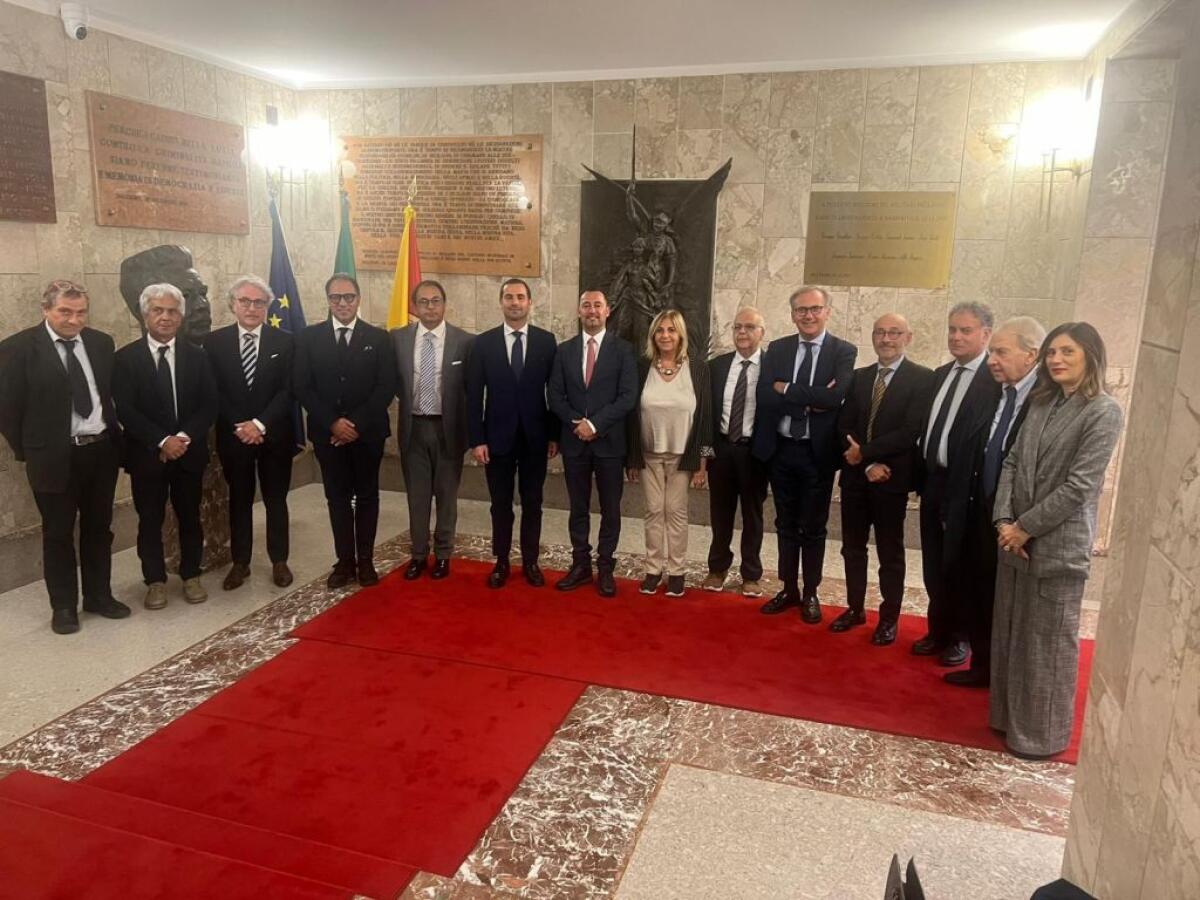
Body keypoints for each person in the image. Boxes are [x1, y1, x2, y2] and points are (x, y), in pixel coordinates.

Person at [991, 322, 1123, 758]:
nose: (1056, 360)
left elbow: (1080, 485)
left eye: (1067, 351)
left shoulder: (1103, 411)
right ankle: (1007, 719)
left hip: (1055, 543)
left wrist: (1026, 526)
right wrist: (1004, 520)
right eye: (1051, 352)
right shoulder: (1042, 401)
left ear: (1090, 356)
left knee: (1047, 644)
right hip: (1014, 539)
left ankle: (1041, 736)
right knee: (1012, 635)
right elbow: (1011, 461)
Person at [0, 280, 127, 634]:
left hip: (100, 451)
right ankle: (64, 606)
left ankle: (99, 596)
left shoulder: (101, 343)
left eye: (81, 312)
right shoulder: (18, 349)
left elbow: (106, 394)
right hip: (53, 457)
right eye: (65, 312)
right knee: (57, 533)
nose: (74, 320)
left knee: (99, 529)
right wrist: (32, 449)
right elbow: (7, 409)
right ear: (46, 310)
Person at [945, 315, 1044, 687]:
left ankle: (1006, 676)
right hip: (980, 509)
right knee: (979, 588)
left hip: (1018, 521)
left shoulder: (1044, 399)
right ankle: (983, 667)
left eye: (1001, 352)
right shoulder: (995, 390)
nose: (991, 360)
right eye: (991, 352)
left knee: (1011, 601)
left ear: (1031, 355)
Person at [753, 286, 857, 623]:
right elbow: (765, 396)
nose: (808, 315)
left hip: (817, 454)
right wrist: (812, 398)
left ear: (827, 312)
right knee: (785, 523)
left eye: (815, 309)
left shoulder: (843, 351)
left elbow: (835, 398)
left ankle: (810, 591)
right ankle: (788, 588)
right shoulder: (778, 348)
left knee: (813, 526)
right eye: (801, 310)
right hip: (782, 450)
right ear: (792, 314)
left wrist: (786, 389)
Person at [113, 283, 218, 610]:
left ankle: (191, 575)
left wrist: (182, 439)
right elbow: (125, 409)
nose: (165, 317)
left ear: (180, 317)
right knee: (150, 519)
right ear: (145, 315)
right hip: (148, 455)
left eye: (172, 311)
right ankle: (155, 580)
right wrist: (161, 440)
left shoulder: (197, 356)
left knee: (190, 516)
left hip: (188, 452)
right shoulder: (125, 359)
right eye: (158, 310)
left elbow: (209, 404)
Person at [832, 314, 933, 645]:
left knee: (890, 554)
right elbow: (844, 425)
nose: (886, 339)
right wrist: (866, 463)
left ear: (908, 337)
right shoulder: (859, 377)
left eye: (894, 333)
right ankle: (855, 609)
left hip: (891, 481)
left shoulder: (922, 378)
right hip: (857, 479)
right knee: (852, 549)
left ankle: (889, 619)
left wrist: (867, 454)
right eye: (880, 333)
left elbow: (910, 430)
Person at [294, 273, 396, 589]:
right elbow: (302, 386)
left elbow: (386, 386)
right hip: (327, 434)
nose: (342, 303)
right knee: (336, 498)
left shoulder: (379, 338)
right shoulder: (309, 338)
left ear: (358, 299)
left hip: (368, 433)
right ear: (328, 301)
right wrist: (333, 423)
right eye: (336, 297)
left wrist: (355, 425)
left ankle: (365, 561)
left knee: (367, 496)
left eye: (348, 297)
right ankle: (344, 562)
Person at [914, 301, 1001, 666]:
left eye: (966, 330)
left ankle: (960, 637)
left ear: (986, 334)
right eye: (952, 329)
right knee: (934, 561)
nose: (956, 337)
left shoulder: (993, 382)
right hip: (933, 482)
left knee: (960, 565)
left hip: (966, 488)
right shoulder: (940, 374)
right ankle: (938, 630)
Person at [467, 278, 559, 589]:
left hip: (535, 438)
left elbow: (554, 393)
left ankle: (531, 561)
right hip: (496, 439)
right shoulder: (484, 343)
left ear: (530, 302)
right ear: (501, 302)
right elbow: (473, 395)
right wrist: (477, 439)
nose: (515, 302)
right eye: (509, 297)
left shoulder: (546, 342)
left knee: (533, 503)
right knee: (500, 504)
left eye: (520, 297)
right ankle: (502, 561)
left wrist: (554, 435)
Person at [205, 275, 296, 592]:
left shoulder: (285, 341)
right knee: (239, 500)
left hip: (274, 436)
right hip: (234, 437)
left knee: (276, 499)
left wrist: (259, 424)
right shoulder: (214, 342)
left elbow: (289, 390)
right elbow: (213, 391)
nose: (252, 308)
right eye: (245, 301)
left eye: (259, 302)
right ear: (233, 304)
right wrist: (241, 425)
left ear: (267, 306)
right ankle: (240, 562)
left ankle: (279, 560)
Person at [547, 290, 638, 598]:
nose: (592, 311)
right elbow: (555, 395)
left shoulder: (624, 351)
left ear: (607, 311)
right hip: (575, 443)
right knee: (578, 508)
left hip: (610, 444)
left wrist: (595, 424)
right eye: (586, 305)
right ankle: (581, 564)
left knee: (611, 509)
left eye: (597, 305)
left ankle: (606, 566)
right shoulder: (564, 351)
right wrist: (578, 424)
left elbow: (628, 396)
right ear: (579, 311)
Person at [392, 279, 474, 581]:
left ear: (444, 304)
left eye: (436, 300)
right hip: (413, 428)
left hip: (448, 430)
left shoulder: (465, 342)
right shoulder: (398, 339)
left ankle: (443, 555)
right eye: (424, 301)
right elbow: (393, 381)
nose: (430, 307)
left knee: (446, 497)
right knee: (417, 497)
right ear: (414, 306)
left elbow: (471, 390)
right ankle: (417, 555)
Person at [626, 309, 711, 598]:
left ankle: (676, 572)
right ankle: (653, 569)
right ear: (653, 335)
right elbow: (632, 415)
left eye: (671, 330)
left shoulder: (697, 369)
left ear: (680, 335)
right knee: (653, 510)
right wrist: (632, 457)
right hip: (648, 455)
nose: (665, 335)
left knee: (675, 511)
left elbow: (705, 417)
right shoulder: (642, 367)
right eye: (660, 330)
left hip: (683, 456)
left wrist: (702, 464)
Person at [702, 308, 769, 597]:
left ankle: (751, 574)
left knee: (753, 515)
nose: (742, 332)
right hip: (722, 450)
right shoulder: (717, 366)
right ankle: (717, 568)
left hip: (755, 452)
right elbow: (706, 414)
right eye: (738, 327)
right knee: (720, 514)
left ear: (762, 332)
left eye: (750, 327)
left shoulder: (772, 367)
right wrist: (705, 455)